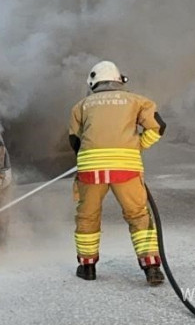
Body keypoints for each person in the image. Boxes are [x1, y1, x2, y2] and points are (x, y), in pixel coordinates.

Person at [68, 60, 167, 285]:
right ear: (119, 80)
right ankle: (151, 267)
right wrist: (139, 145)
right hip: (126, 169)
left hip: (91, 171)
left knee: (87, 216)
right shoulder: (138, 101)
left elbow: (74, 140)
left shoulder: (81, 106)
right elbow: (158, 127)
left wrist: (89, 158)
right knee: (138, 215)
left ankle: (87, 267)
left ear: (93, 82)